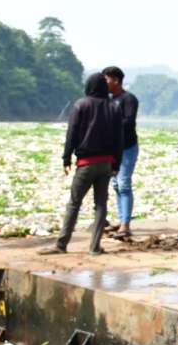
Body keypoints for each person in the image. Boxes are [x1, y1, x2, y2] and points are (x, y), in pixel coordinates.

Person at [39, 72, 124, 255]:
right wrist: (117, 164)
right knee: (101, 204)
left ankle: (61, 244)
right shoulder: (114, 107)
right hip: (106, 163)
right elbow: (119, 139)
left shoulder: (81, 104)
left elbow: (72, 133)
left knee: (74, 203)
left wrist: (66, 158)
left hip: (86, 163)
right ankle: (95, 247)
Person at [104, 65, 138, 238]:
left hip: (127, 148)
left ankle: (125, 225)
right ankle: (122, 219)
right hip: (113, 149)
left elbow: (128, 122)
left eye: (107, 79)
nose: (105, 82)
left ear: (116, 80)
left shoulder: (128, 99)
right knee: (116, 185)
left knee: (123, 183)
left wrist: (108, 126)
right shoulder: (108, 99)